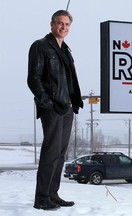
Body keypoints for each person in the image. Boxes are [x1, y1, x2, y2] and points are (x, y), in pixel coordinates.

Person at [27, 10, 83, 210]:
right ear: (52, 24)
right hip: (52, 108)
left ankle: (52, 194)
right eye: (60, 23)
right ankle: (41, 199)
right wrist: (47, 103)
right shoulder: (40, 46)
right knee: (50, 153)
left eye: (67, 24)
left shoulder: (65, 49)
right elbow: (33, 79)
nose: (63, 27)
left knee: (60, 154)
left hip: (67, 108)